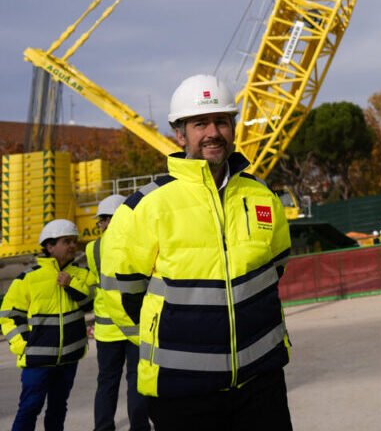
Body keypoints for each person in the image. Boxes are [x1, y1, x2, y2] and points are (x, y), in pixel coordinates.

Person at [100, 74, 293, 430]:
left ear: (233, 128)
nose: (212, 132)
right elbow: (121, 292)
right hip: (181, 391)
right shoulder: (144, 206)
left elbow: (276, 266)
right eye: (200, 123)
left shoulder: (262, 196)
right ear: (180, 134)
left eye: (222, 121)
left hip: (262, 382)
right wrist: (166, 341)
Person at [1, 219, 93, 431]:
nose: (72, 246)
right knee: (29, 409)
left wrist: (71, 285)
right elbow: (9, 314)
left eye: (74, 241)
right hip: (37, 360)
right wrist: (23, 345)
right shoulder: (28, 278)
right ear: (49, 246)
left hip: (69, 358)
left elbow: (89, 304)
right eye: (66, 241)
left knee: (58, 408)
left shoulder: (81, 274)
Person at [86, 193, 150, 431]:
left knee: (107, 383)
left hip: (107, 331)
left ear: (105, 221)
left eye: (102, 220)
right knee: (136, 380)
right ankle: (140, 427)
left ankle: (103, 427)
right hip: (134, 326)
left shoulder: (93, 249)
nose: (102, 224)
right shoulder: (138, 243)